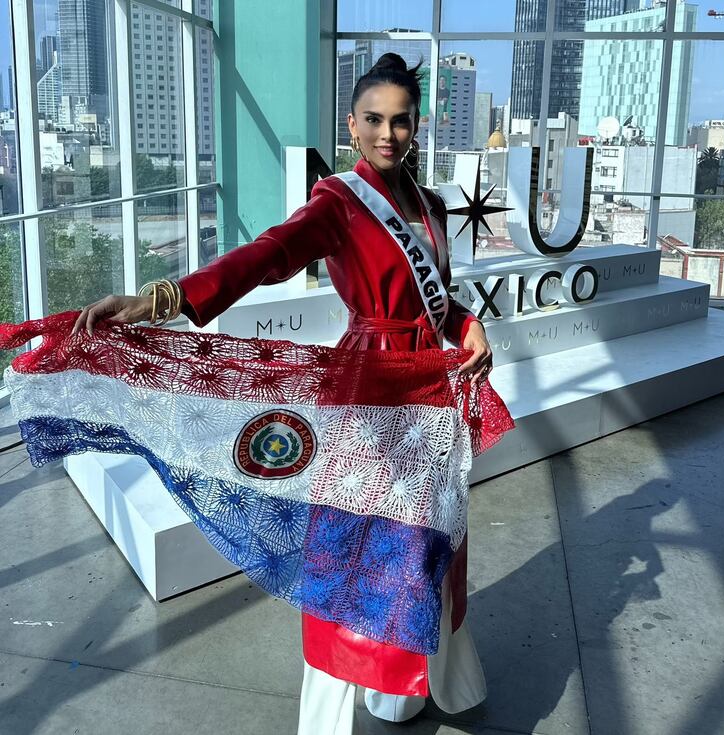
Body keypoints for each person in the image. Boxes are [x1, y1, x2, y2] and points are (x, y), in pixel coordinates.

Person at [72, 53, 495, 734]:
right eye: (374, 119)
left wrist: (472, 328)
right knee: (355, 551)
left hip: (429, 393)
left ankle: (405, 686)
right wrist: (163, 297)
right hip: (368, 394)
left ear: (417, 125)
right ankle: (330, 712)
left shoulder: (433, 206)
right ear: (352, 125)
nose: (389, 133)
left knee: (426, 541)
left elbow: (441, 307)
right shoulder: (338, 203)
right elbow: (264, 254)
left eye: (402, 120)